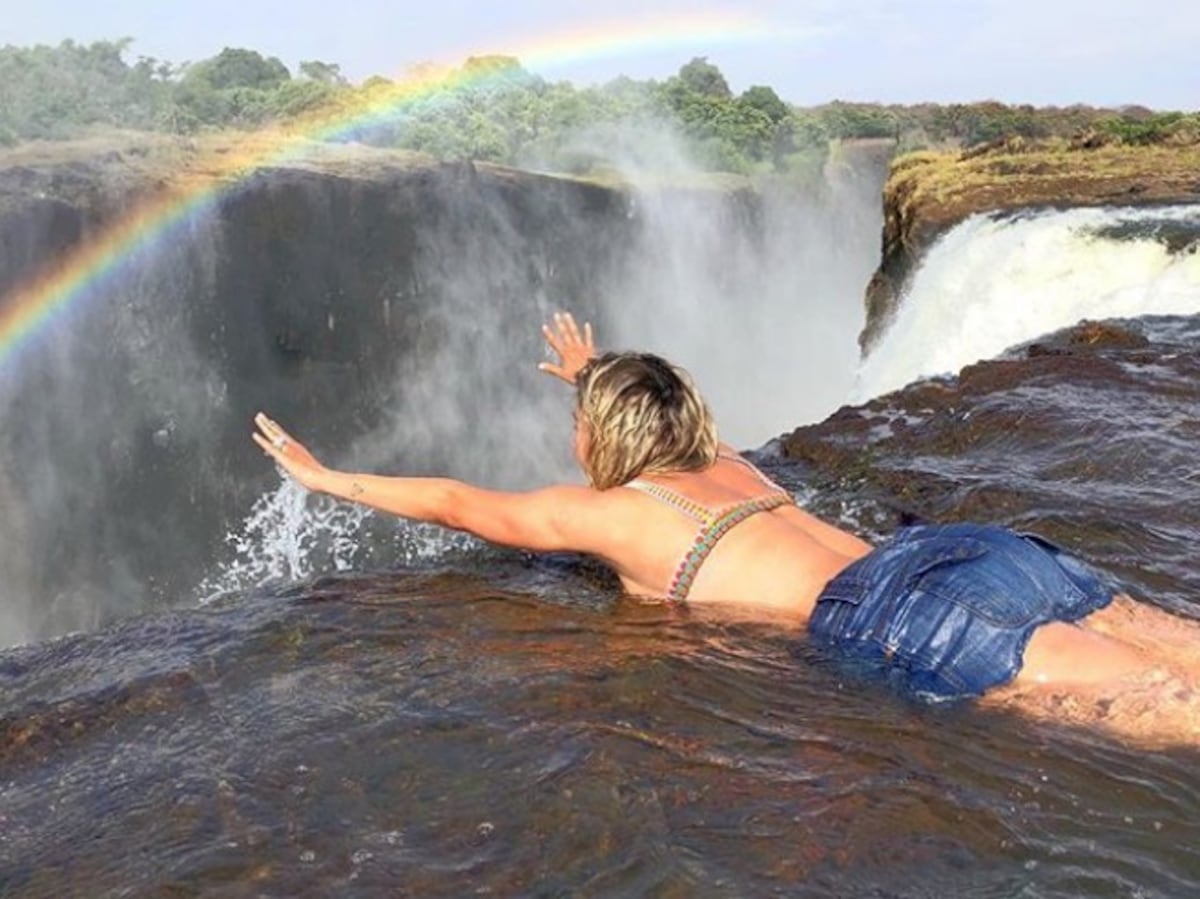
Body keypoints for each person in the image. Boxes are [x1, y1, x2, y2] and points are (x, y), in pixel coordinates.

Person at [253, 313, 1199, 737]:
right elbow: (649, 406)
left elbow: (460, 504)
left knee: (1163, 710)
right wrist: (593, 370)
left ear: (602, 440)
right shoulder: (728, 461)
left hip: (895, 607)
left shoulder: (616, 515)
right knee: (1171, 649)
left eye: (579, 422)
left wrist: (327, 476)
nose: (573, 436)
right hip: (969, 548)